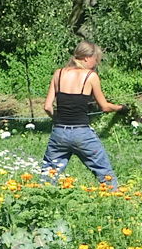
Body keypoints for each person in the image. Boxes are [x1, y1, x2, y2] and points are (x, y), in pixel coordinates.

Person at [40, 40, 125, 188]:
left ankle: (40, 202)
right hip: (82, 133)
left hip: (59, 132)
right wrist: (120, 108)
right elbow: (104, 107)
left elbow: (47, 106)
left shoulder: (58, 74)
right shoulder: (90, 76)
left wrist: (57, 120)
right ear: (86, 58)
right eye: (96, 59)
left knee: (49, 175)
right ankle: (115, 198)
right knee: (104, 172)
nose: (96, 63)